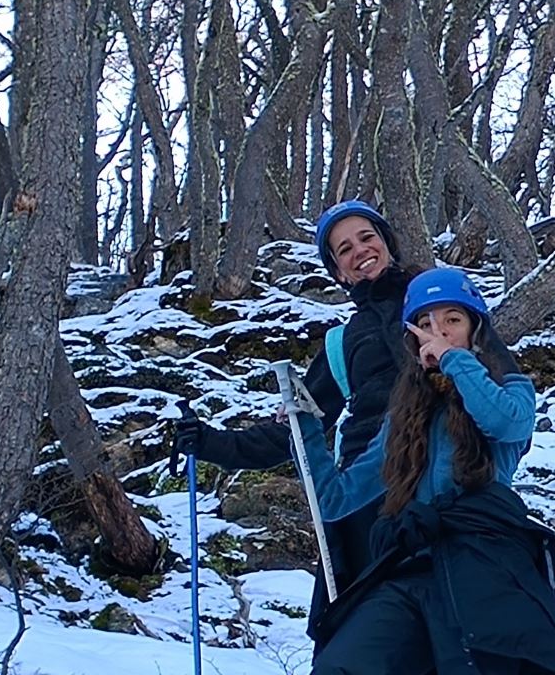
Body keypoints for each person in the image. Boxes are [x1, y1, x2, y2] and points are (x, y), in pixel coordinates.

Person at [296, 268, 555, 675]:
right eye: (425, 324)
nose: (437, 332)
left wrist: (453, 360)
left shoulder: (511, 391)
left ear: (476, 330)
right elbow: (334, 501)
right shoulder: (403, 416)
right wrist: (306, 429)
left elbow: (504, 423)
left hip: (484, 565)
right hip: (409, 564)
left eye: (451, 321)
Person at [169, 200, 415, 648]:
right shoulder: (342, 343)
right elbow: (295, 434)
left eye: (367, 237)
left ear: (387, 244)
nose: (359, 250)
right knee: (364, 638)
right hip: (367, 497)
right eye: (344, 249)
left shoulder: (437, 302)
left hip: (442, 483)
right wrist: (208, 443)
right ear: (338, 272)